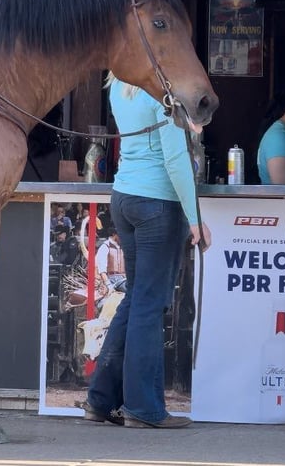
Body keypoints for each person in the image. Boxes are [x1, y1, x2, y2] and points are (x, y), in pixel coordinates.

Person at [83, 74, 212, 429]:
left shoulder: (119, 89)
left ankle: (101, 399)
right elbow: (175, 158)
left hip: (124, 196)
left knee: (136, 299)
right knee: (149, 304)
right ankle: (144, 407)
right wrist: (195, 216)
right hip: (157, 201)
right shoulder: (162, 95)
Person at [94, 227, 126, 296]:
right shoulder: (105, 247)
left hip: (125, 279)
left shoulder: (123, 247)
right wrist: (108, 284)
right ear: (114, 234)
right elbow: (102, 270)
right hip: (112, 279)